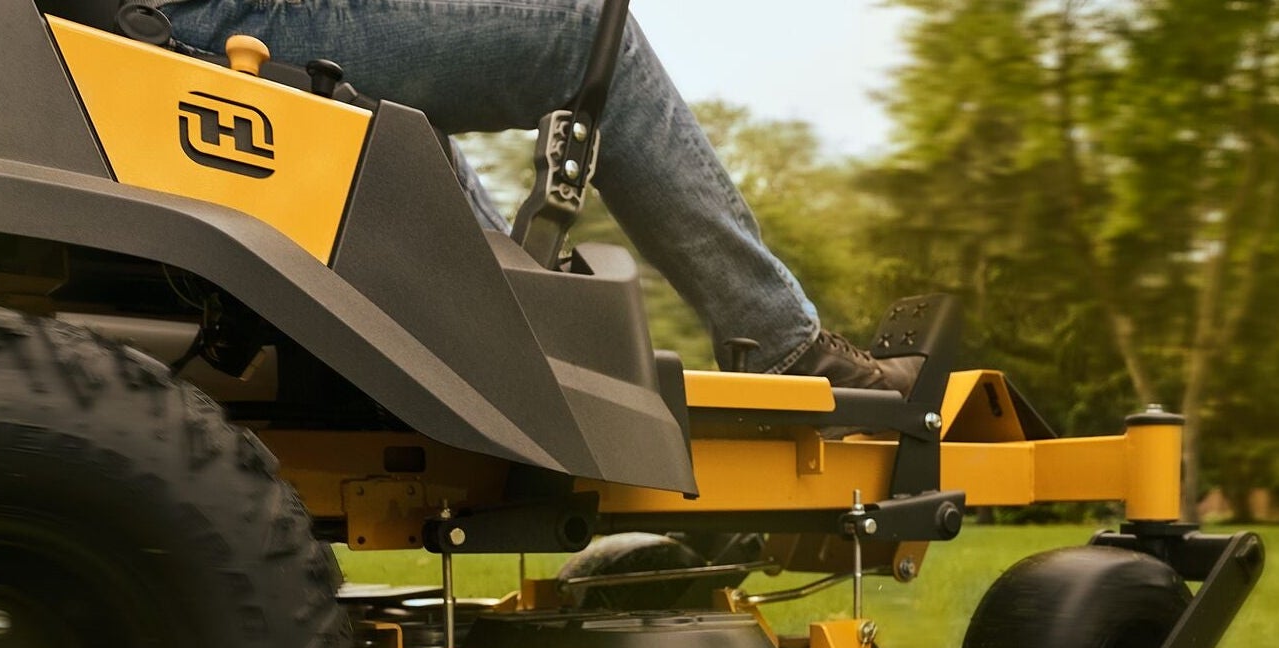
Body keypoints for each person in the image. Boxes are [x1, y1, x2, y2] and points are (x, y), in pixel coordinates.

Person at [160, 0, 920, 392]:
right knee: (587, 34)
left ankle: (538, 355)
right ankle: (783, 344)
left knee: (410, 134)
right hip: (217, 21)